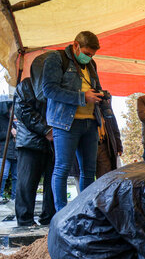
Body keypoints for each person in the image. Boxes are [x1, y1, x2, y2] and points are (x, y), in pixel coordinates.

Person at [42, 31, 104, 211]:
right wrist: (82, 97)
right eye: (86, 53)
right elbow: (49, 90)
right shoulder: (56, 58)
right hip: (65, 123)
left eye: (92, 55)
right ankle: (62, 214)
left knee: (89, 171)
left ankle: (85, 212)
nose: (89, 57)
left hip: (90, 122)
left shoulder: (91, 64)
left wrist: (101, 97)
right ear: (75, 45)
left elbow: (96, 87)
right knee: (62, 168)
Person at [13, 77, 55, 226]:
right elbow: (23, 110)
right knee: (27, 183)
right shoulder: (27, 84)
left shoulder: (55, 84)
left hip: (53, 141)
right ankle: (25, 221)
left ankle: (49, 218)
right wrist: (45, 129)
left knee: (52, 184)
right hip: (30, 141)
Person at [96, 97, 123, 178]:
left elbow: (114, 126)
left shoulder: (105, 104)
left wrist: (118, 146)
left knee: (105, 177)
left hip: (103, 144)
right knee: (86, 177)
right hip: (86, 145)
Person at [0, 99, 17, 201]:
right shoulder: (2, 120)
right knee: (3, 174)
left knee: (17, 176)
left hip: (15, 152)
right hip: (3, 152)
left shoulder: (14, 120)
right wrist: (10, 133)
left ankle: (15, 197)